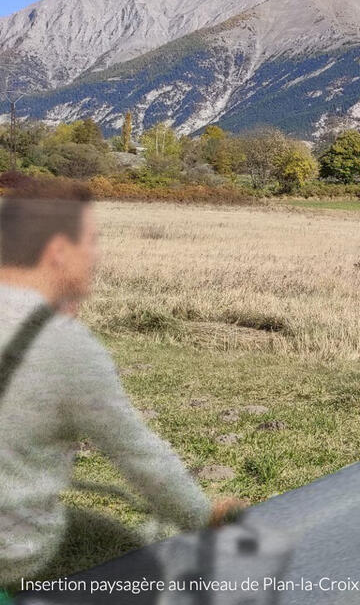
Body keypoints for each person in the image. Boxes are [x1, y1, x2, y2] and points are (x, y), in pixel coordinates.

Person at [0, 176, 243, 594]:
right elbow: (141, 458)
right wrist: (205, 517)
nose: (96, 254)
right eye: (90, 240)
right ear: (58, 251)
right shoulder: (63, 345)